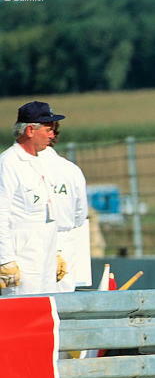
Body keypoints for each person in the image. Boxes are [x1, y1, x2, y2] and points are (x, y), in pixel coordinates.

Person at [0, 101, 65, 296]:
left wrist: (57, 251)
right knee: (23, 316)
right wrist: (5, 259)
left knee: (47, 312)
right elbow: (1, 213)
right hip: (22, 261)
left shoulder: (42, 162)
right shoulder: (9, 163)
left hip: (45, 256)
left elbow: (50, 214)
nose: (52, 135)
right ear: (30, 130)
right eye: (48, 129)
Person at [40, 120, 89, 292]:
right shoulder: (71, 170)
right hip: (64, 240)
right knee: (64, 306)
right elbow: (80, 215)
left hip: (27, 243)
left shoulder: (10, 165)